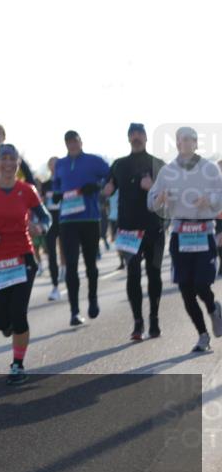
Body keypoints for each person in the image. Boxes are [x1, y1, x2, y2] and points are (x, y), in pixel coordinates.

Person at [0, 144, 51, 385]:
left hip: (22, 257)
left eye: (12, 159)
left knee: (19, 314)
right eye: (3, 159)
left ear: (17, 163)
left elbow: (45, 216)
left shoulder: (27, 190)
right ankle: (3, 321)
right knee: (2, 321)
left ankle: (17, 364)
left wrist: (41, 227)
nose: (8, 163)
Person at [148, 126, 222, 352]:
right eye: (182, 139)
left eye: (191, 139)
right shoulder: (167, 171)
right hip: (180, 235)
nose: (187, 143)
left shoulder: (210, 169)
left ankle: (213, 308)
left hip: (203, 233)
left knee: (201, 284)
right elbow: (151, 202)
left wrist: (209, 200)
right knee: (186, 289)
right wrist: (160, 199)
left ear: (196, 143)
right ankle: (202, 335)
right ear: (177, 143)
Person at [104, 123, 166, 341]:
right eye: (132, 134)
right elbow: (108, 186)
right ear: (128, 138)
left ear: (146, 137)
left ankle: (154, 319)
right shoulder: (119, 164)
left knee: (154, 274)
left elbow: (171, 194)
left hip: (153, 227)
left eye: (140, 133)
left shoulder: (158, 164)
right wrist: (107, 190)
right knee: (133, 275)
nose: (136, 137)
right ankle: (138, 322)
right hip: (128, 229)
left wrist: (153, 186)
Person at [53, 130, 110, 327]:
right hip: (67, 220)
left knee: (90, 263)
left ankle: (93, 299)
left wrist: (97, 186)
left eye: (75, 141)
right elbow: (56, 185)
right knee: (71, 266)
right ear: (65, 144)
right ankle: (74, 311)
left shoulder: (94, 161)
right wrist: (56, 194)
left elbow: (109, 176)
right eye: (69, 142)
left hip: (89, 218)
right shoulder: (60, 164)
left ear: (80, 142)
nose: (72, 145)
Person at [39, 157, 64, 301]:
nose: (54, 167)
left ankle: (65, 270)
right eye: (51, 165)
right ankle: (55, 286)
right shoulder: (46, 184)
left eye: (56, 164)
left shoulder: (65, 181)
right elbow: (40, 203)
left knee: (66, 250)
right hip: (50, 221)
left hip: (65, 220)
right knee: (51, 254)